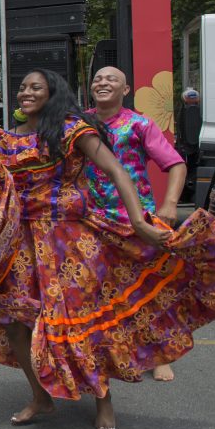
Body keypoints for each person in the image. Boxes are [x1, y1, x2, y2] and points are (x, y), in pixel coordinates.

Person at [0, 69, 215, 429]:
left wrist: (139, 223)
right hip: (19, 245)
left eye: (35, 87)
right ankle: (41, 398)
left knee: (85, 322)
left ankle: (103, 397)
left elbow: (117, 171)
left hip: (70, 241)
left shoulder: (73, 130)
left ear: (52, 93)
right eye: (22, 87)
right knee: (17, 324)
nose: (26, 92)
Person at [87, 66, 187, 383]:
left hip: (136, 220)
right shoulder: (79, 123)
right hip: (91, 219)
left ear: (126, 90)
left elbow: (175, 164)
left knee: (148, 286)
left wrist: (170, 204)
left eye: (111, 80)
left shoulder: (139, 124)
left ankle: (161, 354)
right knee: (98, 288)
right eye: (98, 79)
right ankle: (109, 352)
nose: (103, 83)